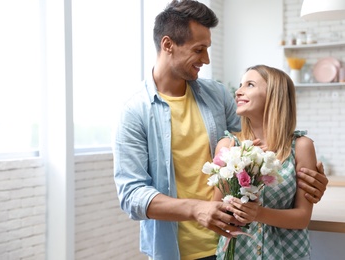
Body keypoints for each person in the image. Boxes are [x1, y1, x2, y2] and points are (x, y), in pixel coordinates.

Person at [113, 1, 328, 260]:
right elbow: (131, 196)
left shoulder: (216, 95)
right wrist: (196, 209)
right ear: (168, 45)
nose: (206, 59)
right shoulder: (135, 112)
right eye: (199, 49)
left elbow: (256, 150)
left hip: (232, 245)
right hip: (175, 250)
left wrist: (305, 181)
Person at [214, 65, 317, 259]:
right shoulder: (227, 147)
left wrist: (258, 213)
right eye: (240, 85)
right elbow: (217, 212)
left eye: (250, 84)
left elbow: (302, 217)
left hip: (287, 253)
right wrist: (238, 164)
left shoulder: (301, 147)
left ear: (274, 95)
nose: (238, 92)